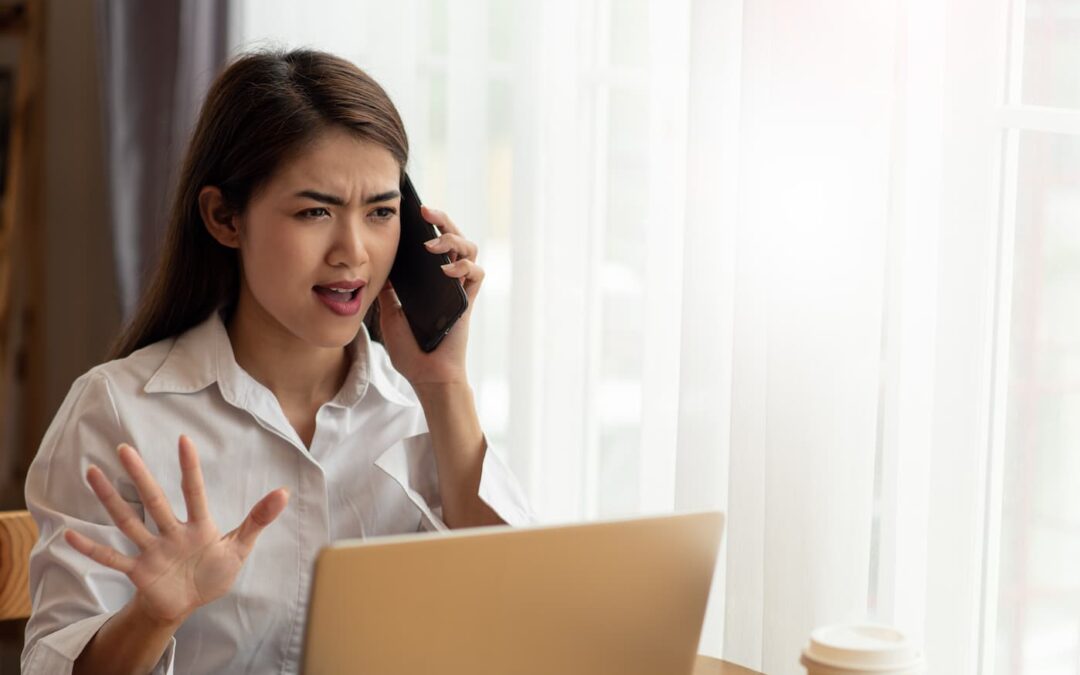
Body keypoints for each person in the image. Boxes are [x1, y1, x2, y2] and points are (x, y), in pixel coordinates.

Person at [21, 49, 533, 675]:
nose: (354, 253)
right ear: (224, 217)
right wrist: (153, 617)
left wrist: (444, 379)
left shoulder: (419, 412)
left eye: (380, 212)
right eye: (315, 211)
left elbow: (513, 621)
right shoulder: (119, 411)